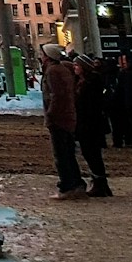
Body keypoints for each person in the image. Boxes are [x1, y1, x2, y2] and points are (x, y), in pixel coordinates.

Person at [40, 42, 87, 199]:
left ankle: (68, 186)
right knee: (68, 152)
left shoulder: (53, 71)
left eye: (43, 54)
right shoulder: (63, 69)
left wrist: (51, 114)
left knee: (61, 154)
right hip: (67, 117)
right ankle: (76, 183)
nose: (41, 57)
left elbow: (56, 96)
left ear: (48, 57)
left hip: (59, 119)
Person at [73, 55, 113, 198]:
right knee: (90, 153)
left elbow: (90, 104)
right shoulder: (83, 81)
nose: (75, 68)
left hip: (90, 124)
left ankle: (100, 183)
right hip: (87, 123)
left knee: (92, 153)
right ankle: (99, 183)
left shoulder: (91, 82)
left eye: (77, 65)